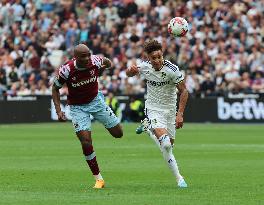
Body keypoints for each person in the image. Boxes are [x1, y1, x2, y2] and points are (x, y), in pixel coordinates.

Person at [52, 44, 123, 189]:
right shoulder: (66, 70)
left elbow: (107, 63)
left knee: (118, 134)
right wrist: (59, 110)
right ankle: (99, 179)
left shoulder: (95, 61)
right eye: (83, 56)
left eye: (88, 55)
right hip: (78, 107)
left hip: (96, 101)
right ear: (75, 57)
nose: (86, 58)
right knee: (85, 141)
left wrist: (107, 63)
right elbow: (55, 88)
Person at [126, 39, 189, 188]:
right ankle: (179, 178)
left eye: (159, 56)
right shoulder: (144, 67)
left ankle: (148, 129)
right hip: (153, 109)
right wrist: (131, 71)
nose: (157, 60)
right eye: (153, 58)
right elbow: (129, 73)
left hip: (170, 110)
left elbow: (184, 91)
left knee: (168, 146)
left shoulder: (172, 70)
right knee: (166, 145)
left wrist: (179, 114)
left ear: (163, 55)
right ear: (148, 57)